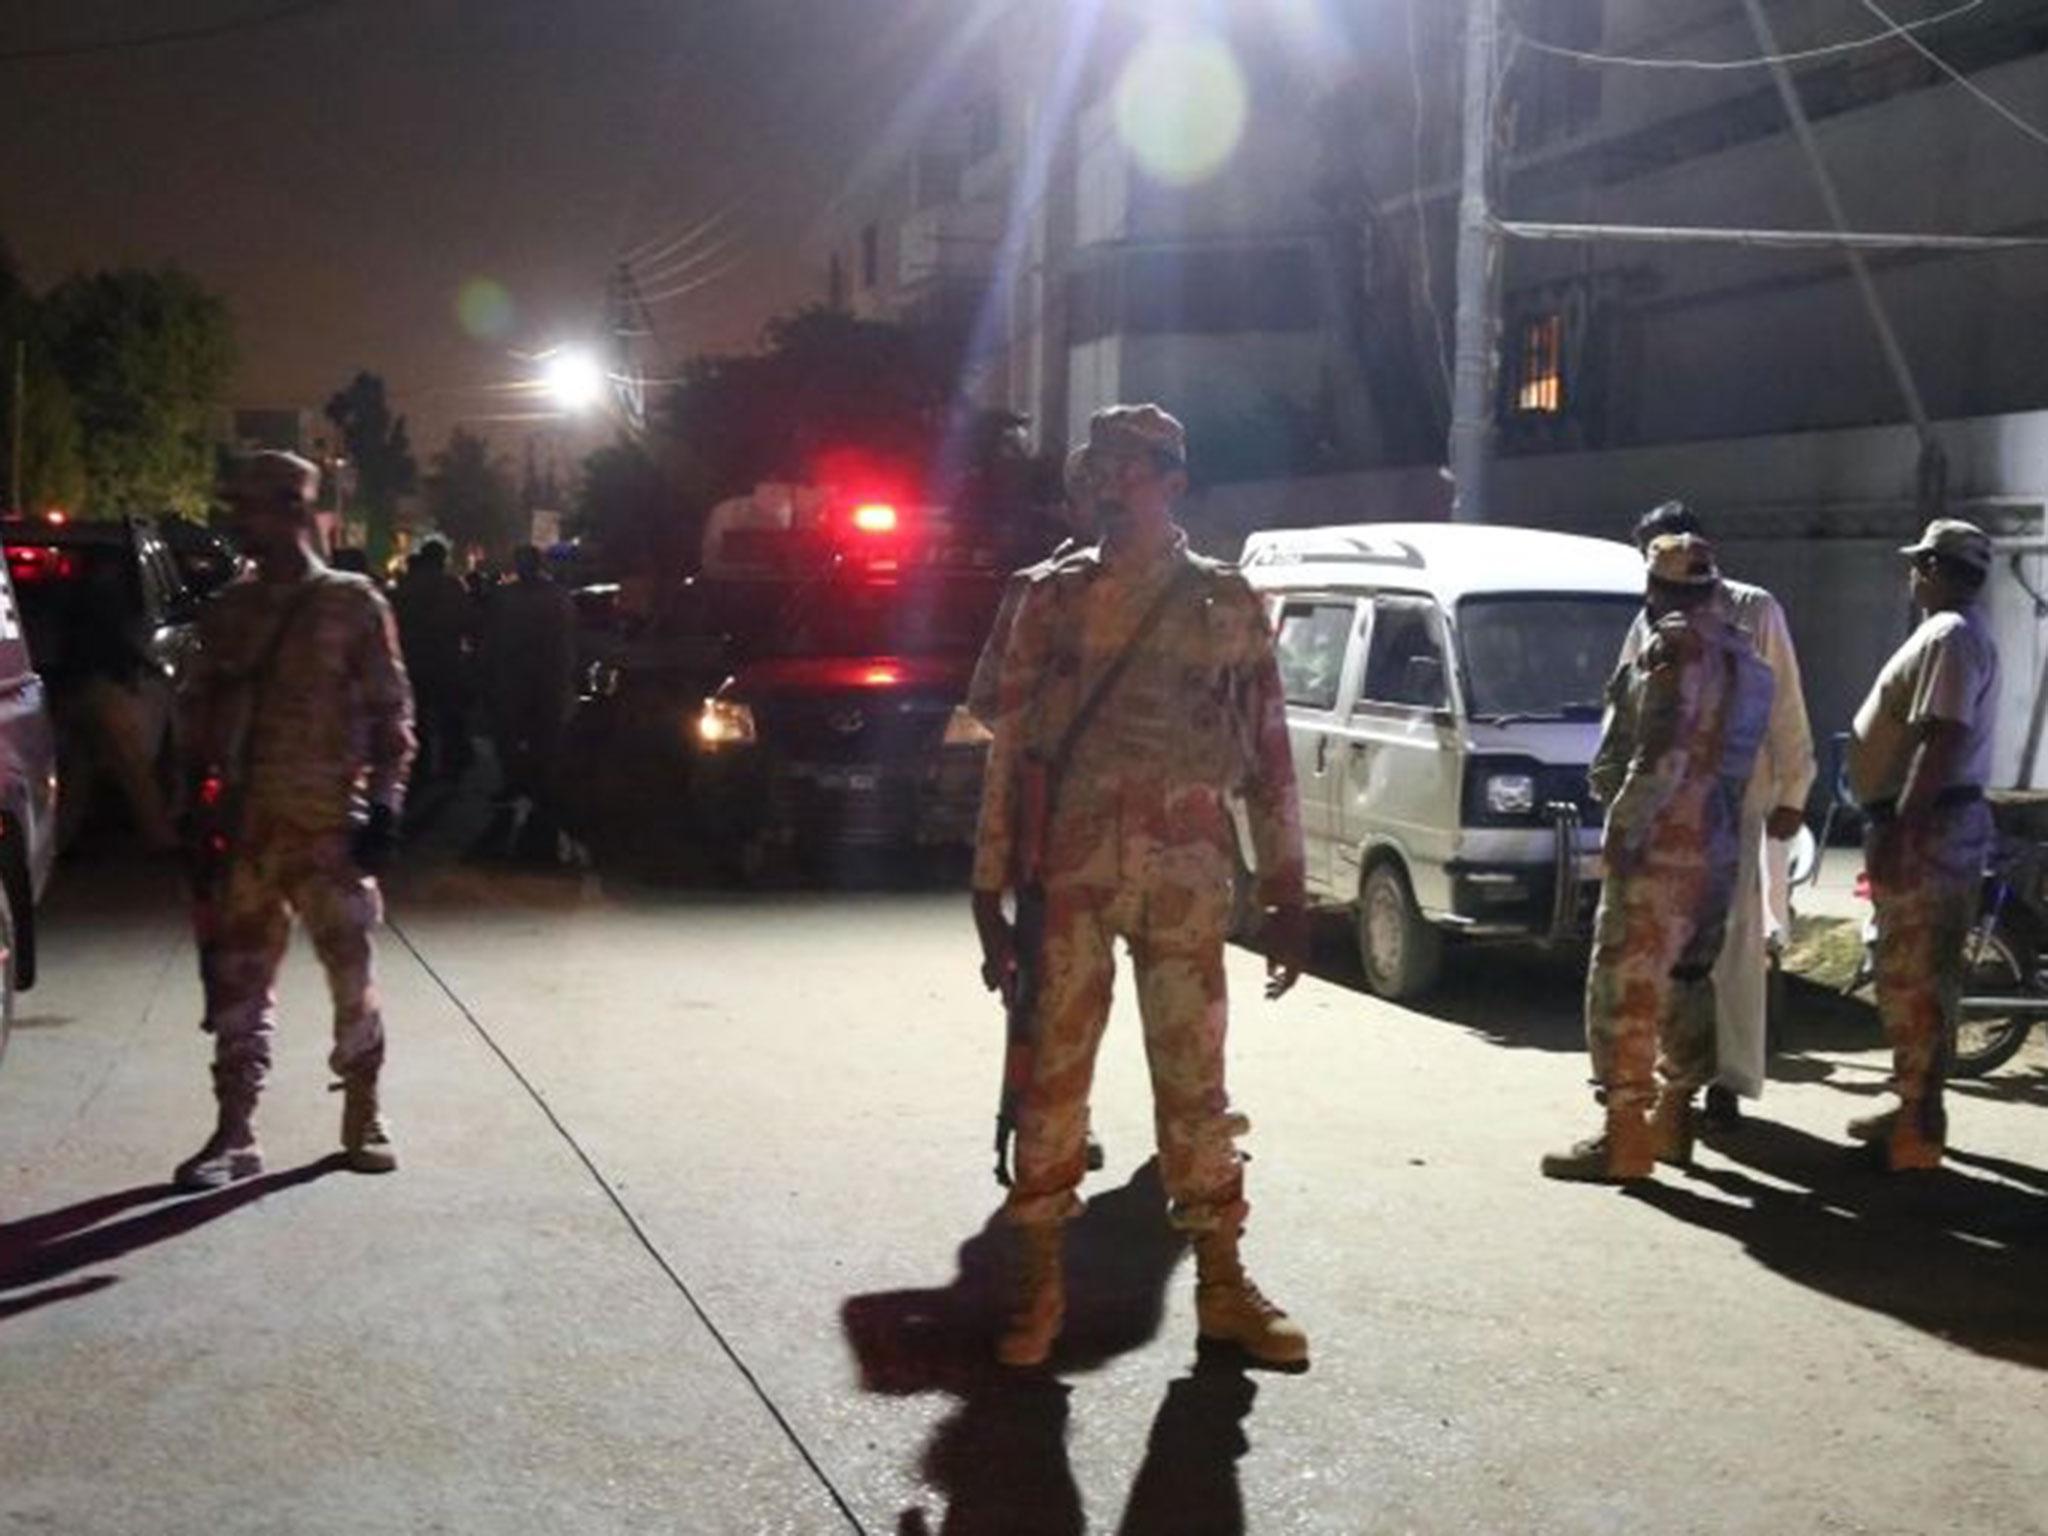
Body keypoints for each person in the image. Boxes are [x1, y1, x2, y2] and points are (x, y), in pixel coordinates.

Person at [970, 403, 1310, 1368]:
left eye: (1132, 469)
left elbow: (1271, 757)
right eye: (1098, 471)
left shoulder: (1228, 600)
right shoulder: (1046, 597)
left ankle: (1222, 1284)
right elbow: (1011, 751)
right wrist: (986, 884)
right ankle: (1038, 1285)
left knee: (1197, 1091)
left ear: (1174, 481)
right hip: (1068, 878)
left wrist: (1287, 885)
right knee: (1051, 1087)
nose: (1110, 487)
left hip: (1187, 884)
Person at [173, 451, 415, 1189]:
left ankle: (363, 1111)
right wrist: (190, 802)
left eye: (250, 508)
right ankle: (234, 1131)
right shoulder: (230, 611)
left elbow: (391, 714)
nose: (241, 524)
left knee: (351, 975)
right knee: (238, 982)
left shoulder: (352, 603)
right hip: (248, 828)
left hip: (330, 826)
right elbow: (197, 712)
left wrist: (385, 805)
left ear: (292, 509)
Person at [1543, 534, 1774, 1183]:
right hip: (1718, 845)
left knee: (1623, 984)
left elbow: (1663, 752)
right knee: (1688, 981)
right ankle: (1675, 1119)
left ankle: (1623, 1136)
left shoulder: (1672, 646)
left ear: (1657, 589)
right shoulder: (1745, 658)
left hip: (1663, 843)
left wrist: (1622, 829)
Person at [1622, 502, 1815, 1128]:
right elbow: (1628, 713)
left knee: (1733, 951)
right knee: (1666, 956)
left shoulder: (1754, 610)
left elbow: (1784, 703)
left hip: (1736, 807)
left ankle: (1722, 1082)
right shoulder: (1647, 620)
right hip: (1664, 818)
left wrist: (1793, 794)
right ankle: (1671, 1086)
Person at [1843, 519, 1999, 1172]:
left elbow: (1941, 737)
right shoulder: (1958, 634)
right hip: (1937, 827)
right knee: (1915, 974)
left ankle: (1917, 1126)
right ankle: (1911, 1105)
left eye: (1919, 564)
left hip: (1930, 831)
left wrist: (1904, 828)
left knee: (1915, 977)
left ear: (1936, 568)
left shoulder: (1949, 636)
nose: (1912, 575)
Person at [483, 545, 577, 863]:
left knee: (531, 735)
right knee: (523, 735)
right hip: (527, 679)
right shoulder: (546, 596)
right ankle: (524, 783)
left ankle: (531, 784)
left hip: (532, 679)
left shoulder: (521, 597)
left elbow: (565, 641)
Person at [392, 539, 474, 782]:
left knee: (418, 717)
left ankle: (420, 764)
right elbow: (467, 621)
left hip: (413, 660)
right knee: (449, 715)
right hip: (445, 659)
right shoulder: (452, 586)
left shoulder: (406, 586)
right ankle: (453, 761)